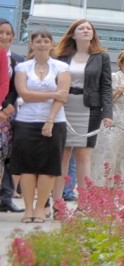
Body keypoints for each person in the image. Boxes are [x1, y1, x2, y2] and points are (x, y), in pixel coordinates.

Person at [54, 18, 113, 212]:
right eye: (82, 28)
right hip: (64, 106)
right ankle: (58, 203)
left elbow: (106, 87)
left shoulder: (101, 57)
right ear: (73, 33)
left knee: (83, 155)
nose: (86, 30)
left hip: (90, 110)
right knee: (63, 154)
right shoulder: (61, 56)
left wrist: (108, 112)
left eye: (89, 28)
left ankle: (84, 204)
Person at [11, 29, 69, 222]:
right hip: (26, 121)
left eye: (46, 41)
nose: (42, 44)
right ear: (31, 44)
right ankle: (28, 209)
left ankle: (39, 209)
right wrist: (53, 94)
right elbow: (24, 94)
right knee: (27, 166)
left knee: (48, 167)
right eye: (38, 41)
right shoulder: (22, 67)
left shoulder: (61, 67)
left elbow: (64, 95)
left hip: (55, 122)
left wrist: (50, 120)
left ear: (51, 44)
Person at [92, 48, 124, 187]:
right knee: (107, 161)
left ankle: (115, 198)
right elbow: (104, 100)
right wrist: (116, 92)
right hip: (113, 128)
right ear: (121, 64)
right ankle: (99, 195)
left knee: (123, 163)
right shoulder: (115, 77)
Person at [0, 20, 19, 212]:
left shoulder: (17, 59)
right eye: (1, 32)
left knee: (7, 157)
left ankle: (6, 197)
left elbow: (16, 86)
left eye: (8, 33)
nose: (4, 37)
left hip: (9, 115)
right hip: (1, 109)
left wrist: (8, 105)